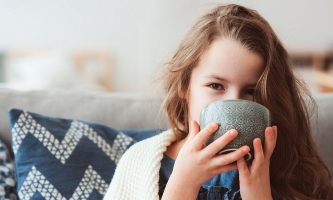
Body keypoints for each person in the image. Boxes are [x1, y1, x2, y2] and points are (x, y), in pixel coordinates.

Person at [104, 4, 333, 200]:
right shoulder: (139, 163)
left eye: (251, 90)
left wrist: (259, 193)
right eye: (216, 86)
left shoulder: (290, 170)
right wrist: (183, 185)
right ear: (185, 86)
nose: (234, 102)